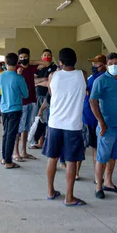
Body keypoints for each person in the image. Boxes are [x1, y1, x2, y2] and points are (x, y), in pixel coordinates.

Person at [42, 48, 87, 206]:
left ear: (60, 62)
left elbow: (52, 93)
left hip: (55, 123)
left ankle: (50, 191)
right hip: (73, 125)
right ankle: (69, 197)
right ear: (75, 60)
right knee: (71, 160)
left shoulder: (53, 76)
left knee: (52, 158)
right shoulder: (82, 75)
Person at [90, 53, 117, 199]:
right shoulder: (101, 81)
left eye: (116, 63)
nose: (114, 66)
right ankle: (98, 186)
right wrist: (101, 122)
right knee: (102, 157)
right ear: (106, 65)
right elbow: (93, 101)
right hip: (107, 126)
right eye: (110, 63)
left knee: (113, 156)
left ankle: (108, 182)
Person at [14, 48, 49, 162]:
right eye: (21, 58)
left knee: (26, 128)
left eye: (25, 57)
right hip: (22, 102)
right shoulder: (17, 69)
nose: (23, 59)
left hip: (31, 100)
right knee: (19, 128)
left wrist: (32, 61)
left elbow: (46, 63)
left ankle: (23, 151)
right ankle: (16, 152)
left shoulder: (32, 67)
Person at [0, 53, 29, 170]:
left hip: (4, 108)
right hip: (15, 109)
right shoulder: (19, 78)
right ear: (17, 63)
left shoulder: (2, 76)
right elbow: (25, 94)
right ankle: (8, 161)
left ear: (6, 62)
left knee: (6, 134)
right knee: (12, 135)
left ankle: (4, 157)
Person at [79, 54, 106, 180]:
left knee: (95, 149)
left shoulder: (102, 78)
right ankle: (77, 173)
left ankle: (97, 177)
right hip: (86, 116)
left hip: (95, 118)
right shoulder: (92, 77)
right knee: (82, 147)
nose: (94, 66)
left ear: (103, 65)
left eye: (96, 63)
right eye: (93, 63)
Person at [30, 49, 57, 149]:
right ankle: (36, 140)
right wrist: (43, 80)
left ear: (52, 56)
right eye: (45, 55)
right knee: (36, 118)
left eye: (48, 55)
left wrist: (38, 82)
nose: (46, 56)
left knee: (45, 120)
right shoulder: (39, 68)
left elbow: (49, 83)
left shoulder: (54, 68)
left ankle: (43, 142)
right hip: (37, 95)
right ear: (41, 57)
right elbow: (33, 81)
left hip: (47, 97)